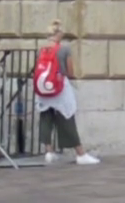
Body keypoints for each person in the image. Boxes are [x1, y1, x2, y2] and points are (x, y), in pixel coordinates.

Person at [34, 19, 99, 165]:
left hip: (43, 89)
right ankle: (80, 153)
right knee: (67, 116)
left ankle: (49, 152)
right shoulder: (64, 49)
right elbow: (70, 72)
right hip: (59, 87)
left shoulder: (42, 49)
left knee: (46, 116)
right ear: (58, 33)